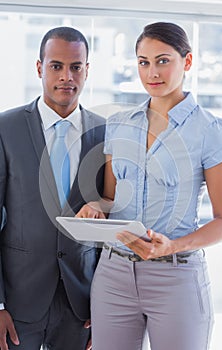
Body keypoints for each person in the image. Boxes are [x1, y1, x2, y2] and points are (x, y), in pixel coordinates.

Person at [77, 22, 222, 350]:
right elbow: (109, 197)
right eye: (143, 62)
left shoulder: (211, 130)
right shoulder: (119, 123)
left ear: (187, 62)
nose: (152, 72)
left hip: (175, 278)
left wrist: (171, 247)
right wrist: (95, 207)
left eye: (163, 60)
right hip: (113, 275)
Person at [0, 26, 105, 350]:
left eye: (76, 67)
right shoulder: (6, 128)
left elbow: (111, 226)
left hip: (81, 304)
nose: (66, 77)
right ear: (39, 68)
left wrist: (104, 305)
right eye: (56, 66)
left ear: (87, 70)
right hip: (19, 301)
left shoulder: (105, 133)